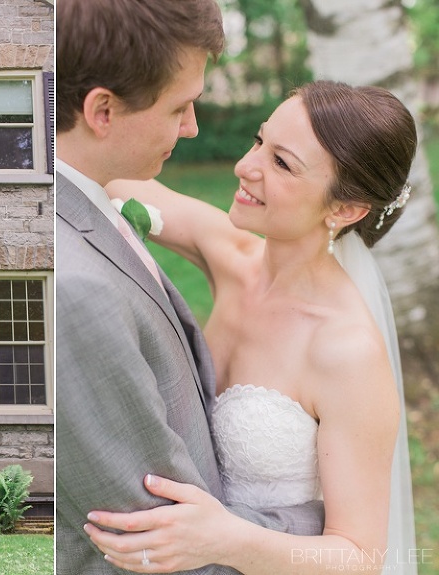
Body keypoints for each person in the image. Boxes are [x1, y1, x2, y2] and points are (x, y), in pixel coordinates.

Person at [85, 80, 418, 574]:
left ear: (345, 210)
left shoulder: (345, 350)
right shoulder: (230, 256)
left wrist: (225, 541)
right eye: (259, 141)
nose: (245, 166)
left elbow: (361, 556)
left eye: (282, 163)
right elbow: (108, 176)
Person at [56, 1, 325, 574]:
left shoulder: (93, 196)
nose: (193, 128)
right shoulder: (78, 290)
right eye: (180, 105)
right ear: (102, 110)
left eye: (283, 161)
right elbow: (156, 532)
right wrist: (315, 525)